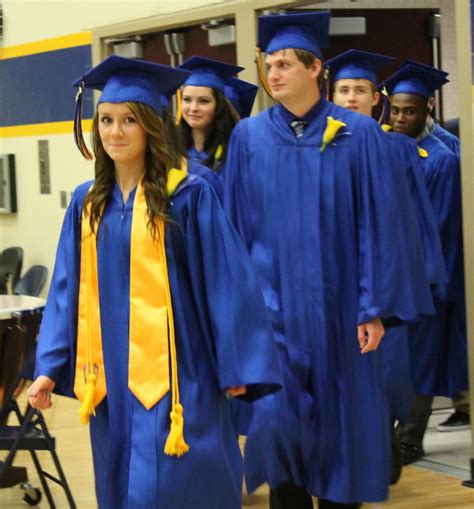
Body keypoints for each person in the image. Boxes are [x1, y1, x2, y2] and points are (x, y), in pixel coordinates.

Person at [27, 55, 282, 509]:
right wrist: (49, 366)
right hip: (112, 374)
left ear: (151, 126)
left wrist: (237, 364)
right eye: (105, 120)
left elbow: (224, 283)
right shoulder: (88, 205)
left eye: (128, 120)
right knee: (123, 484)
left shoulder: (187, 194)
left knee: (182, 483)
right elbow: (68, 291)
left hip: (182, 370)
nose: (115, 132)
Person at [223, 12, 434, 509]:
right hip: (273, 321)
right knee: (280, 440)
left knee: (343, 444)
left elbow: (380, 227)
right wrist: (239, 321)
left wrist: (375, 308)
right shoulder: (248, 139)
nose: (272, 74)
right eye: (268, 65)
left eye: (284, 64)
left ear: (315, 68)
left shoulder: (358, 136)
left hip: (342, 319)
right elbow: (234, 233)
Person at [327, 49, 446, 484]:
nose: (352, 97)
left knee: (384, 375)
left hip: (382, 283)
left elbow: (416, 221)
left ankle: (383, 444)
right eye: (344, 90)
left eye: (360, 90)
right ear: (331, 95)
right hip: (331, 283)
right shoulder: (313, 149)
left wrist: (419, 281)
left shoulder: (398, 148)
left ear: (376, 98)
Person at [384, 61, 467, 464]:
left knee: (419, 360)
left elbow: (441, 228)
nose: (400, 118)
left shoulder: (441, 160)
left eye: (410, 111)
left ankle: (410, 439)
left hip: (424, 279)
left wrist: (433, 284)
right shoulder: (384, 149)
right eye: (396, 109)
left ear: (428, 108)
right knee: (393, 359)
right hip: (390, 276)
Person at [177, 56, 242, 174]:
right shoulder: (171, 151)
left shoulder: (233, 155)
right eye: (187, 100)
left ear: (218, 106)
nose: (193, 108)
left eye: (203, 101)